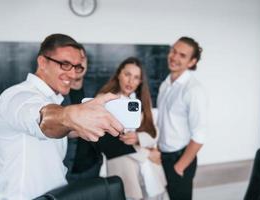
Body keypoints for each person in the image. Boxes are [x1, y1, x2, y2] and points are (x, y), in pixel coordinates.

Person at [0, 33, 123, 200]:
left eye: (77, 67)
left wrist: (85, 125)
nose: (73, 74)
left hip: (55, 195)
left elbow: (59, 128)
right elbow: (42, 118)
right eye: (65, 64)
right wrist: (72, 115)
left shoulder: (53, 99)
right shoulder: (18, 96)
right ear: (42, 62)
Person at [98, 57, 168, 200]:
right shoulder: (105, 100)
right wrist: (147, 153)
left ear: (140, 81)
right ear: (119, 74)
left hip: (148, 167)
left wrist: (138, 138)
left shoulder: (141, 101)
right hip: (124, 166)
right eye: (127, 74)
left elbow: (153, 132)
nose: (131, 81)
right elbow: (109, 143)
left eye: (136, 77)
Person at [157, 36, 207, 200]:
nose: (174, 57)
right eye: (173, 51)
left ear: (192, 62)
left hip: (179, 159)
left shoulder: (193, 90)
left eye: (182, 55)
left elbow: (199, 136)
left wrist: (179, 167)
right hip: (162, 156)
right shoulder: (166, 84)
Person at [63, 55, 103, 182]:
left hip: (92, 166)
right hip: (64, 167)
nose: (78, 63)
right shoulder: (57, 91)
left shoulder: (95, 89)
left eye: (82, 58)